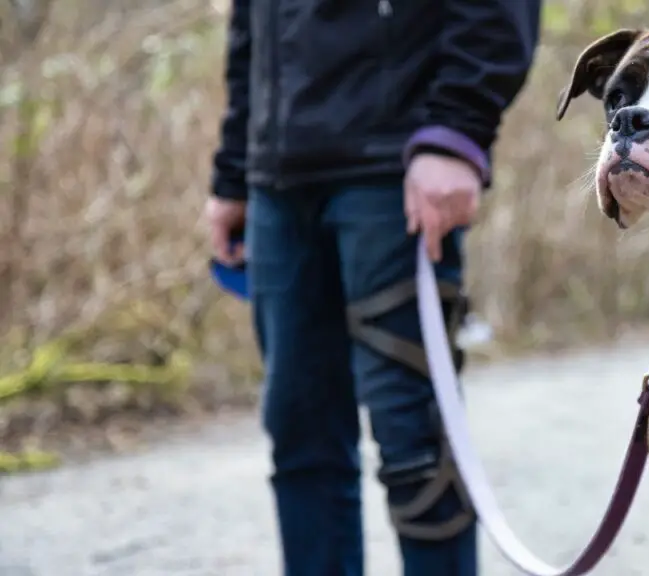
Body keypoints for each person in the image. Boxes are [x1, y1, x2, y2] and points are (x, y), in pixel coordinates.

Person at [202, 1, 542, 575]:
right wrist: (234, 169)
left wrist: (456, 132)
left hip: (393, 169)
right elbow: (250, 24)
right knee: (298, 432)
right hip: (278, 180)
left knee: (413, 440)